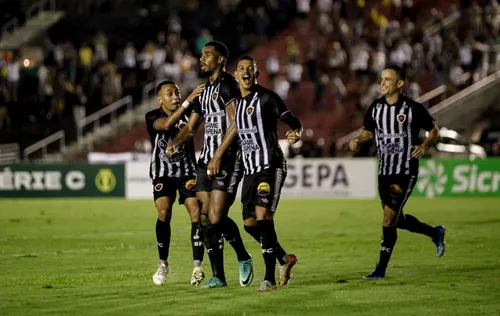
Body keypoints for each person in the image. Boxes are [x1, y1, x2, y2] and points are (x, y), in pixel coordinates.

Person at [166, 41, 253, 288]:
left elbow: (236, 125)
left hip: (227, 159)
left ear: (220, 60)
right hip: (205, 161)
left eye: (207, 55)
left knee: (215, 216)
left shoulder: (228, 86)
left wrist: (217, 156)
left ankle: (244, 257)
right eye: (202, 55)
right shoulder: (203, 91)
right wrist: (174, 143)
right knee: (204, 218)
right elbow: (191, 128)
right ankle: (218, 277)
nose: (201, 59)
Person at [348, 65, 446, 279]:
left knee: (387, 218)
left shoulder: (412, 108)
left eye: (388, 79)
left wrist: (424, 145)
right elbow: (368, 131)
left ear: (400, 84)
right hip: (384, 170)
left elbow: (434, 131)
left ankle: (380, 270)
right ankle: (434, 232)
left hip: (405, 170)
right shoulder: (375, 108)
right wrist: (357, 139)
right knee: (396, 220)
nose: (382, 83)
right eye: (382, 79)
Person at [232, 56, 301, 291]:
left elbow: (291, 119)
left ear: (256, 73)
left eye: (249, 69)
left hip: (270, 166)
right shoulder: (237, 104)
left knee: (263, 219)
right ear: (236, 75)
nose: (245, 72)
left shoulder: (267, 98)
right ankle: (284, 258)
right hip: (250, 170)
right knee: (250, 225)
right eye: (241, 69)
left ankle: (269, 279)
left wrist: (295, 130)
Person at [145, 80, 206, 286]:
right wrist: (188, 100)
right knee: (163, 212)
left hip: (187, 171)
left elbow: (189, 130)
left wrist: (176, 142)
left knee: (196, 212)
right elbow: (167, 124)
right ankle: (163, 264)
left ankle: (197, 266)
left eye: (177, 93)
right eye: (169, 94)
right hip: (162, 173)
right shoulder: (152, 116)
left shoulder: (191, 112)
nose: (175, 97)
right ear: (159, 99)